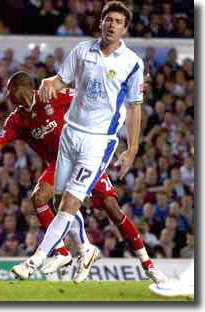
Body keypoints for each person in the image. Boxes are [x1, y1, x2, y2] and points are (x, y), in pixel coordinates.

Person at [0, 71, 165, 284]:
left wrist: (127, 86)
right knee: (39, 198)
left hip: (83, 155)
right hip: (58, 164)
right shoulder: (16, 120)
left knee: (112, 209)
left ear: (21, 88)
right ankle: (62, 252)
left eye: (10, 91)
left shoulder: (53, 95)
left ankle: (148, 265)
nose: (7, 97)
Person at [17, 1, 145, 284]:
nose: (112, 24)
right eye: (108, 19)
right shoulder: (82, 51)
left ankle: (36, 259)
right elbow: (61, 81)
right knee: (62, 201)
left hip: (98, 142)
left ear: (125, 28)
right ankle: (85, 250)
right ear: (101, 22)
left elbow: (135, 107)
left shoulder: (132, 63)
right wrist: (50, 82)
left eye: (118, 21)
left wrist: (132, 148)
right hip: (70, 138)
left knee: (75, 204)